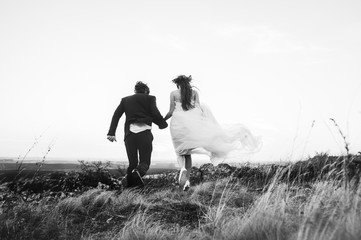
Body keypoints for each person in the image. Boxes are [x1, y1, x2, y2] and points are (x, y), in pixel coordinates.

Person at [164, 75, 261, 190]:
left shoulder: (173, 93)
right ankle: (187, 180)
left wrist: (162, 120)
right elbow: (199, 109)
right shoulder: (194, 93)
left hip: (178, 124)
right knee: (188, 152)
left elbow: (171, 111)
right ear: (188, 83)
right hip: (191, 125)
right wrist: (203, 124)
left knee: (180, 152)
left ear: (178, 84)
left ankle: (182, 169)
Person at [107, 81, 168, 188]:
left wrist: (111, 133)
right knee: (144, 162)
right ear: (146, 91)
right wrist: (162, 124)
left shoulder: (125, 100)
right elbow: (155, 113)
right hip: (144, 134)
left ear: (135, 90)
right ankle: (134, 177)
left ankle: (131, 188)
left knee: (132, 163)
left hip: (129, 134)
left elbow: (116, 115)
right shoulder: (150, 98)